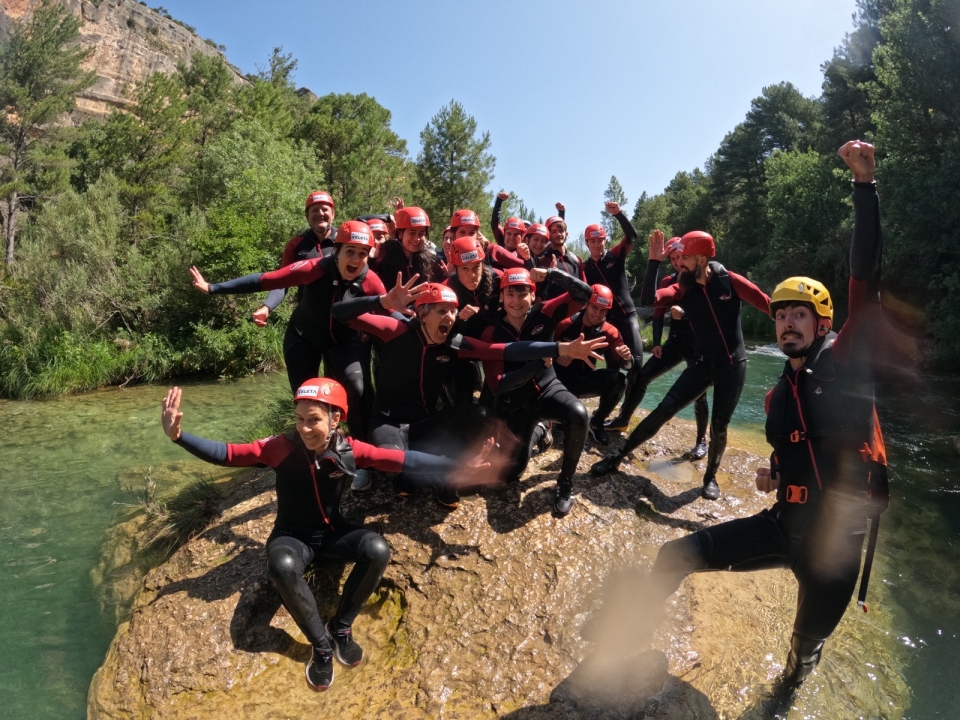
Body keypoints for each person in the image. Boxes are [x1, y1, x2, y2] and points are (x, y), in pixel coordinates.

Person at [589, 141, 888, 699]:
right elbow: (790, 451)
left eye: (800, 314)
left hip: (837, 550)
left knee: (802, 651)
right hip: (785, 528)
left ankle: (794, 679)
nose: (787, 323)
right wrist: (775, 472)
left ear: (822, 325)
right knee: (672, 554)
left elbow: (864, 283)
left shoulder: (846, 362)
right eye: (780, 316)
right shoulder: (775, 399)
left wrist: (865, 189)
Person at [160, 378, 494, 691]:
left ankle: (341, 626)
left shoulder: (350, 450)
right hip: (292, 535)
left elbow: (403, 459)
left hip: (334, 533)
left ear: (336, 419)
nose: (304, 428)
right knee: (282, 566)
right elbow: (228, 454)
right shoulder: (279, 448)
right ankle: (320, 646)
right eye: (299, 419)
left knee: (377, 549)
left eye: (314, 420)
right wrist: (179, 436)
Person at [332, 276, 607, 507]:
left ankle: (444, 474)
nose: (450, 318)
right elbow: (339, 313)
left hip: (425, 423)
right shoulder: (394, 329)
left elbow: (503, 350)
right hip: (389, 422)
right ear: (423, 313)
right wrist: (381, 302)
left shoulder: (454, 343)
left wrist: (560, 349)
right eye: (441, 311)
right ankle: (446, 471)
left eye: (452, 311)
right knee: (398, 475)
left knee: (479, 413)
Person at [590, 228, 770, 500]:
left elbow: (769, 305)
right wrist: (653, 262)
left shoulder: (729, 282)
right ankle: (618, 456)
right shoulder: (682, 287)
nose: (679, 263)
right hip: (701, 363)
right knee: (664, 408)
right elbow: (650, 300)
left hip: (733, 365)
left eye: (684, 258)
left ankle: (710, 478)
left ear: (701, 258)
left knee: (719, 426)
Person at [188, 221, 384, 453]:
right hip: (303, 338)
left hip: (343, 341)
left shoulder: (370, 279)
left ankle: (362, 455)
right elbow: (267, 280)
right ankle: (313, 452)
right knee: (306, 397)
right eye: (349, 252)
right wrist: (213, 288)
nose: (354, 259)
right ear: (337, 251)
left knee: (357, 389)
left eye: (362, 254)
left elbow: (392, 310)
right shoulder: (315, 268)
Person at [481, 267, 603, 515]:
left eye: (523, 293)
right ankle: (540, 431)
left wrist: (550, 273)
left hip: (548, 390)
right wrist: (538, 362)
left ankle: (565, 482)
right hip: (515, 404)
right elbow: (497, 384)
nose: (516, 301)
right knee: (510, 475)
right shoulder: (492, 332)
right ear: (501, 297)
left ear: (533, 296)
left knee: (578, 415)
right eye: (510, 294)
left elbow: (584, 294)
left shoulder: (544, 314)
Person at [606, 236, 709, 459]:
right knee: (642, 376)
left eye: (680, 257)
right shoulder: (669, 282)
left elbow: (712, 315)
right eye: (672, 258)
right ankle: (623, 419)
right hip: (675, 342)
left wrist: (686, 314)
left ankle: (702, 440)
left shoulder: (703, 280)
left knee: (699, 394)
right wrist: (657, 343)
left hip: (699, 345)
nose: (676, 262)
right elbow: (658, 312)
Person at [580, 204, 644, 422]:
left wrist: (618, 214)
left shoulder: (616, 255)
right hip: (605, 321)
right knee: (612, 367)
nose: (597, 244)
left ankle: (625, 413)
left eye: (600, 240)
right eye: (592, 241)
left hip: (627, 316)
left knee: (636, 365)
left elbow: (632, 237)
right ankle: (604, 411)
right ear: (587, 243)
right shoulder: (586, 267)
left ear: (605, 240)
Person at [554, 284, 634, 444]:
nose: (598, 314)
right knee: (564, 424)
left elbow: (627, 366)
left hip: (584, 378)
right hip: (559, 380)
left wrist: (626, 358)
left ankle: (596, 423)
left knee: (619, 380)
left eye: (603, 311)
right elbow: (541, 351)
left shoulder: (610, 332)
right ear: (587, 305)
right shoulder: (565, 324)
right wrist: (557, 355)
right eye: (595, 308)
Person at [251, 190, 339, 328]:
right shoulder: (296, 244)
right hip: (309, 322)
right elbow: (281, 282)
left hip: (342, 321)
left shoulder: (345, 242)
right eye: (315, 210)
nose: (320, 214)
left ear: (333, 214)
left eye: (324, 209)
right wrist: (267, 307)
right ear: (306, 215)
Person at [370, 205, 443, 286]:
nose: (417, 238)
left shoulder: (431, 258)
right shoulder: (384, 253)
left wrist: (449, 275)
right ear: (400, 234)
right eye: (412, 232)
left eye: (421, 234)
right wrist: (371, 260)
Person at [537, 209, 584, 300]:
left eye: (561, 230)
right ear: (549, 235)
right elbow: (540, 293)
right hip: (555, 312)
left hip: (577, 311)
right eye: (553, 231)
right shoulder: (544, 261)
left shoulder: (576, 259)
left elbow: (585, 285)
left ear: (566, 233)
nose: (558, 234)